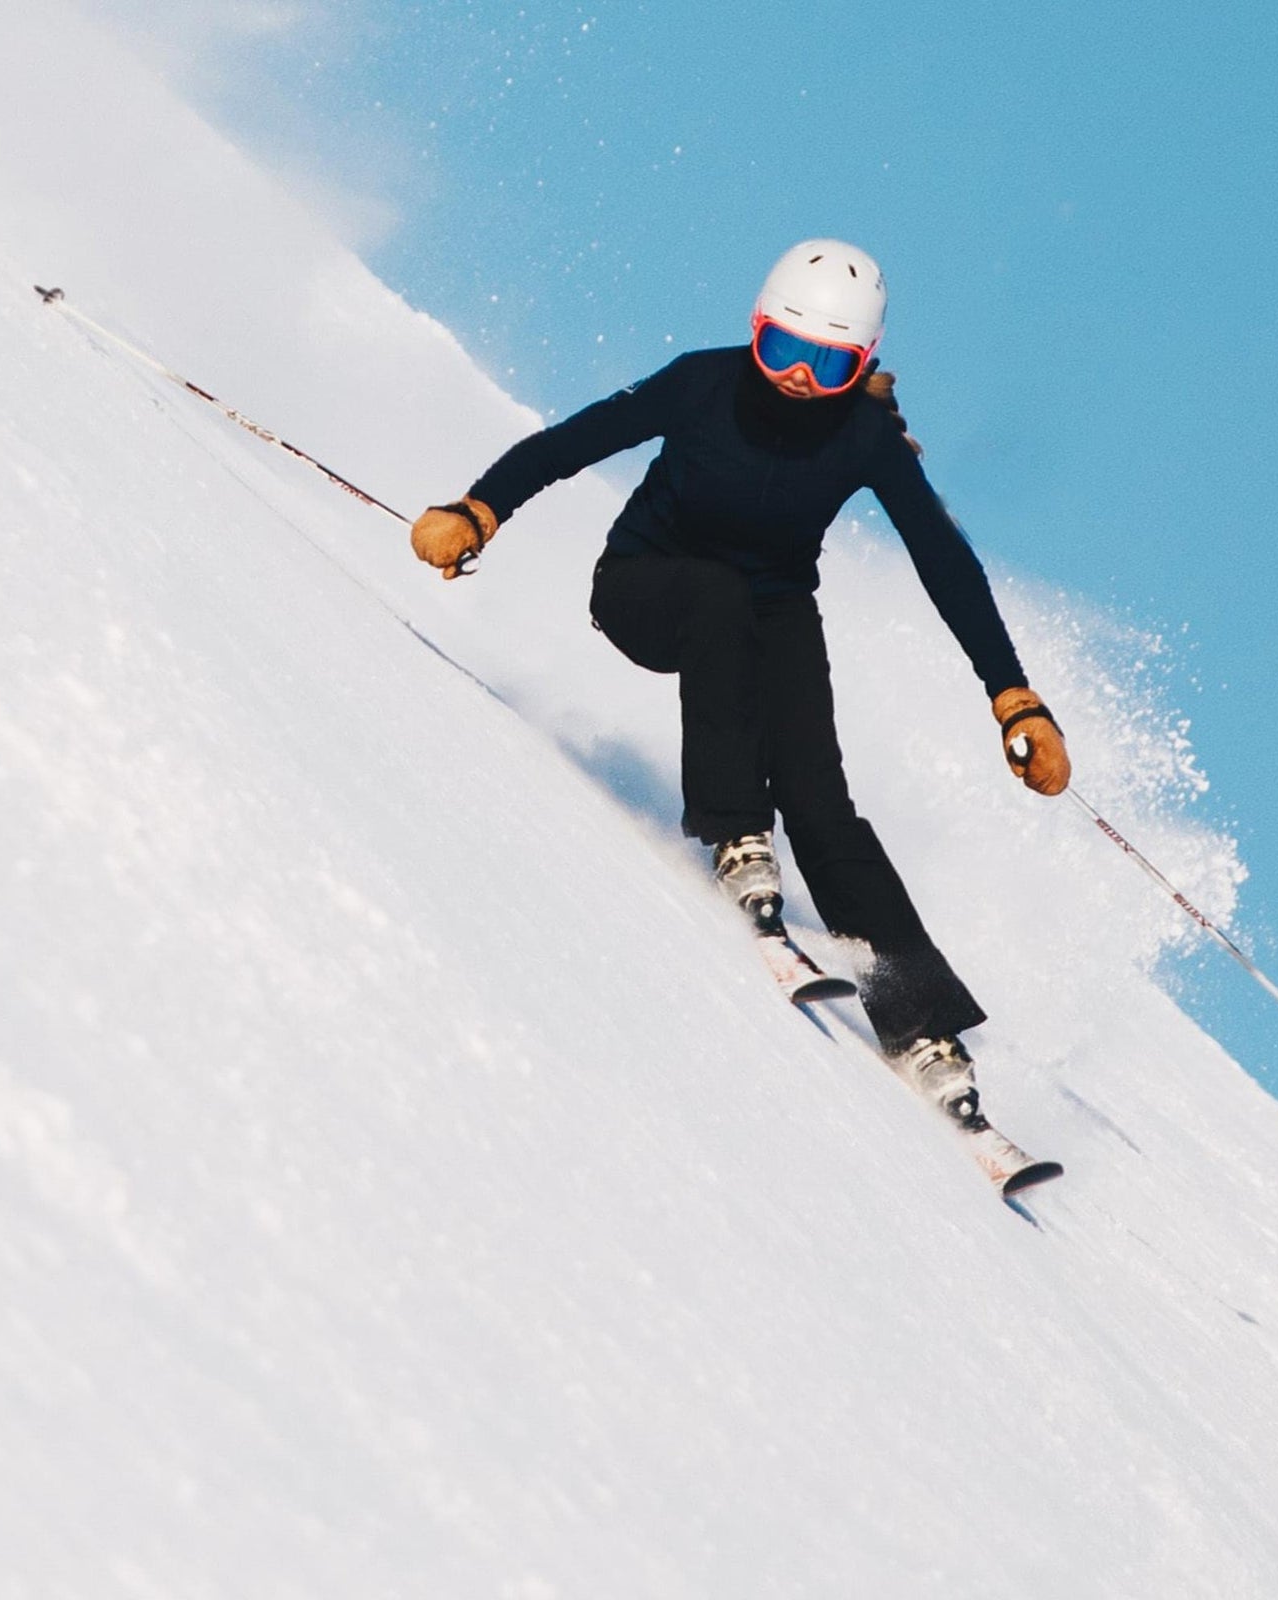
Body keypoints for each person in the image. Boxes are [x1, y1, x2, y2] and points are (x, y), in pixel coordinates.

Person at [407, 239, 1070, 1122]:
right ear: (754, 333)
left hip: (770, 611)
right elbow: (574, 442)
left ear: (861, 365)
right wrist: (478, 509)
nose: (798, 377)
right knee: (718, 596)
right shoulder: (702, 384)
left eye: (827, 363)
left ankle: (920, 1024)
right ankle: (735, 833)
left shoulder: (863, 437)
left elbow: (943, 561)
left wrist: (1013, 695)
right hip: (648, 586)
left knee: (822, 797)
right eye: (782, 350)